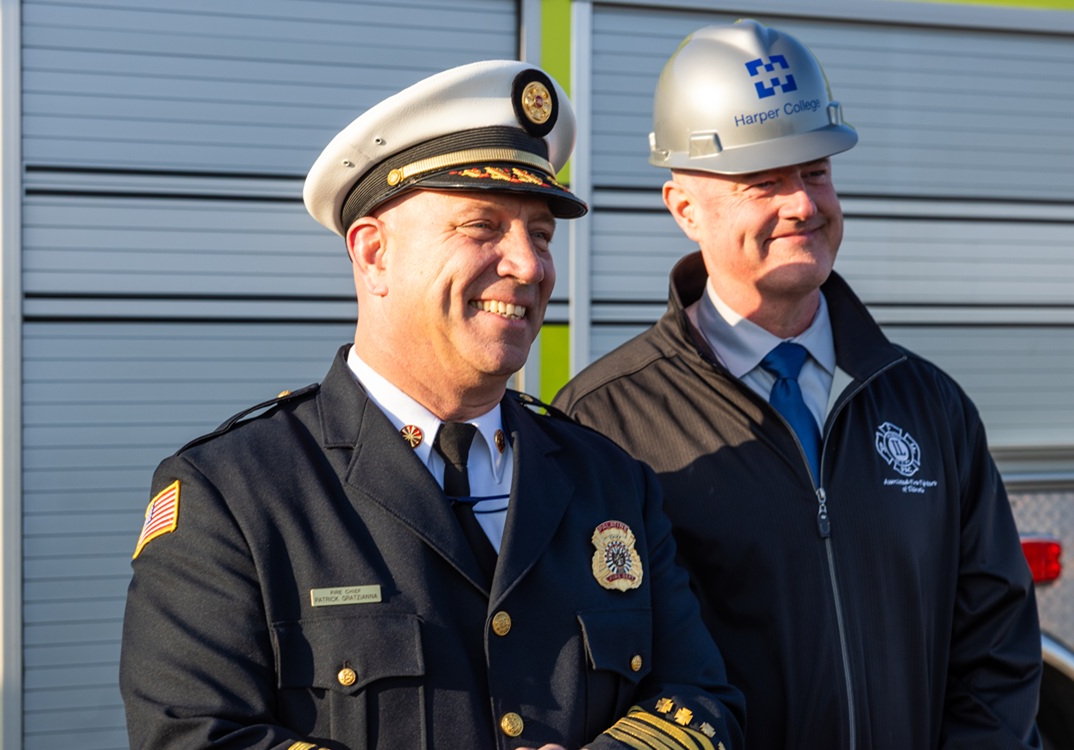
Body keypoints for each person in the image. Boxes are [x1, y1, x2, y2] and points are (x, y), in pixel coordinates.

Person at [119, 59, 744, 750]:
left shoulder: (610, 480)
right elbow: (197, 737)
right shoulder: (234, 496)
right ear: (373, 253)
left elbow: (698, 697)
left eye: (540, 234)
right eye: (482, 227)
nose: (530, 266)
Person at [554, 19, 1042, 749]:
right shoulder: (604, 423)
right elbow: (595, 679)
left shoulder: (929, 405)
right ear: (684, 207)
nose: (804, 205)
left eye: (815, 172)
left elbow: (996, 655)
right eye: (765, 182)